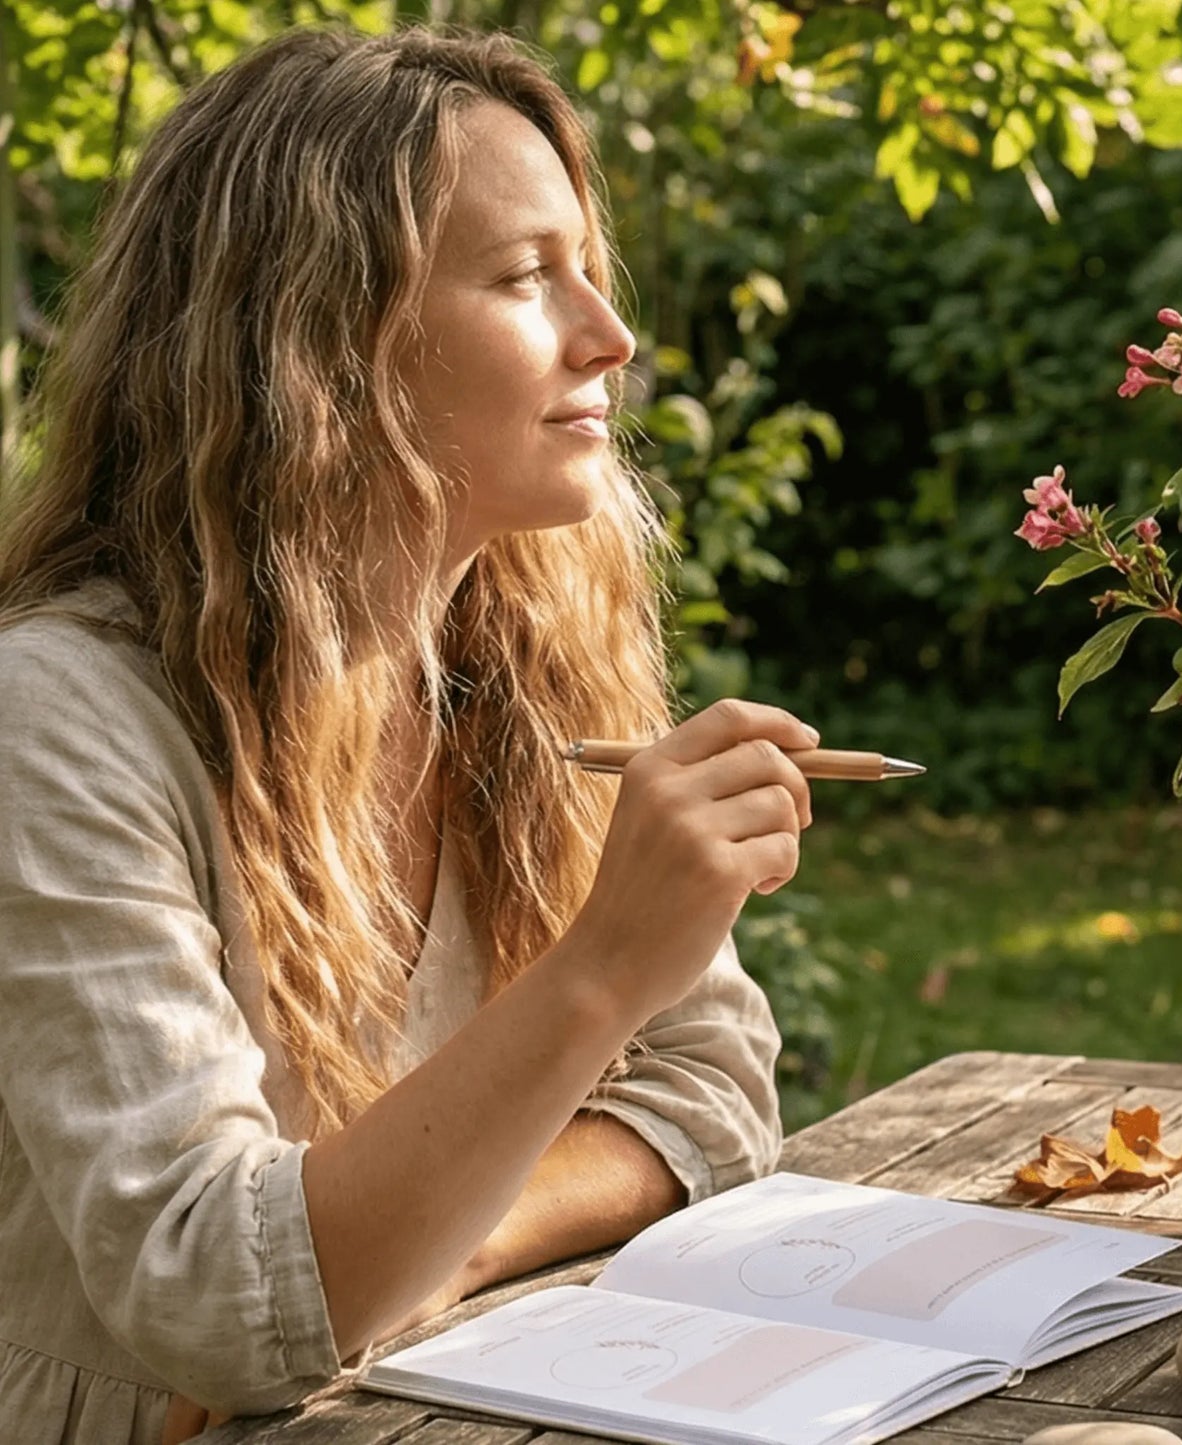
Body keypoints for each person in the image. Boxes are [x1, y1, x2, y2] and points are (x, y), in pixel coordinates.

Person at [0, 25, 819, 1444]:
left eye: (586, 267)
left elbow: (713, 1093)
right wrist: (604, 968)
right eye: (522, 276)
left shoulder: (526, 654)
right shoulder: (57, 720)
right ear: (319, 342)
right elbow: (218, 1298)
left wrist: (442, 1243)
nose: (607, 336)